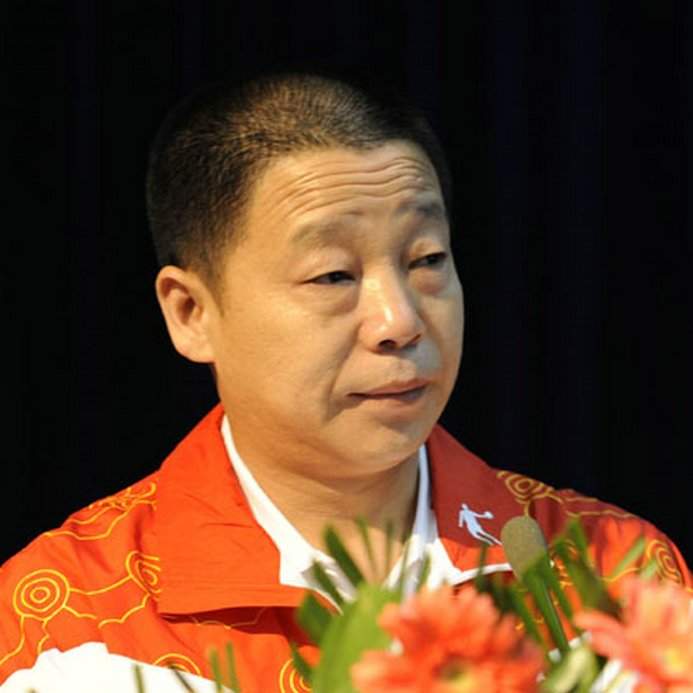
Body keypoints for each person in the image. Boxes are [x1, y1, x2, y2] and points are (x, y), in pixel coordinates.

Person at [0, 73, 689, 692]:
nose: (399, 321)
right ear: (191, 313)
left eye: (426, 259)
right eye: (333, 275)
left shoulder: (617, 578)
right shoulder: (65, 621)